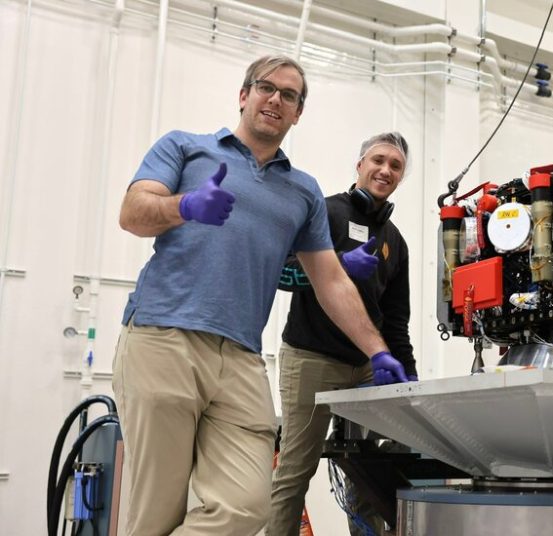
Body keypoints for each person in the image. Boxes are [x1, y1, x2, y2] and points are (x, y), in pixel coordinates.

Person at [113, 55, 409, 536]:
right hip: (164, 336)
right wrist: (185, 205)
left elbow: (330, 280)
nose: (275, 98)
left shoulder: (303, 192)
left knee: (248, 506)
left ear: (298, 113)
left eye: (289, 95)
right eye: (266, 87)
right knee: (155, 513)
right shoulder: (186, 148)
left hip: (243, 359)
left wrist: (379, 351)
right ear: (244, 95)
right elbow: (133, 212)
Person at [268, 132, 417, 536]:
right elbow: (283, 273)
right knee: (297, 469)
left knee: (369, 472)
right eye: (378, 160)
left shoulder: (395, 243)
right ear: (360, 164)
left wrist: (410, 379)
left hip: (367, 368)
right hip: (312, 358)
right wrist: (336, 265)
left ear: (401, 177)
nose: (385, 170)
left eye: (396, 165)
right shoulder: (327, 213)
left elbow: (395, 320)